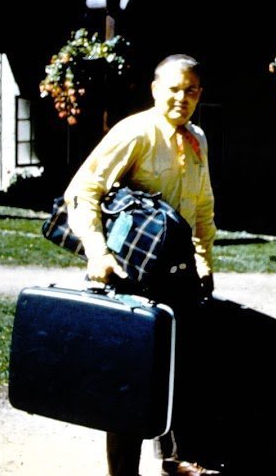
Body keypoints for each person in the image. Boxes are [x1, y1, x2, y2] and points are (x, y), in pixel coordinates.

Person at [63, 54, 219, 476]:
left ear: (199, 94)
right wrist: (97, 252)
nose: (181, 98)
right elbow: (82, 191)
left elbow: (202, 207)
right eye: (173, 89)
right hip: (130, 273)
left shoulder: (197, 139)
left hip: (178, 273)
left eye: (190, 90)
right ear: (155, 90)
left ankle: (175, 459)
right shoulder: (135, 132)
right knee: (129, 380)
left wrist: (204, 261)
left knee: (180, 369)